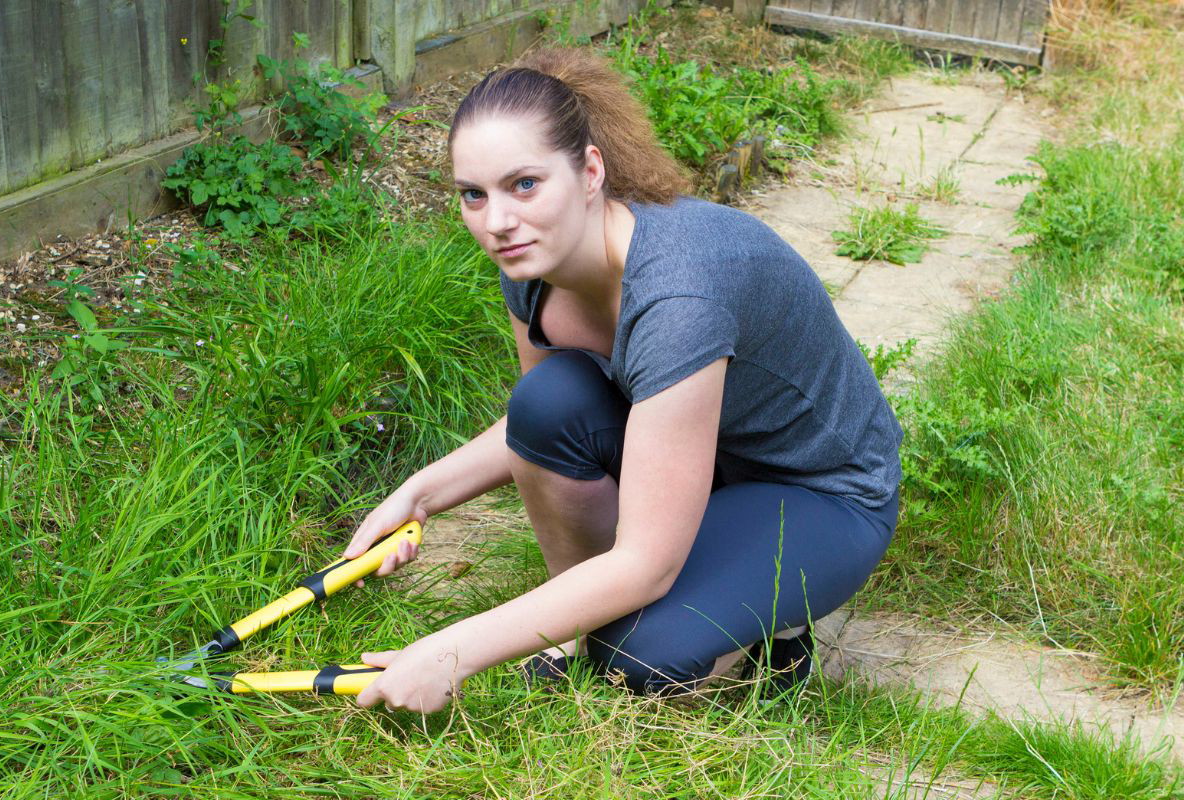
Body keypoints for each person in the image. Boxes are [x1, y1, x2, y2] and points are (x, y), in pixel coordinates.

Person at [342, 47, 903, 714]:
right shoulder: (533, 263)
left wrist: (453, 650)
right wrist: (422, 492)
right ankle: (577, 628)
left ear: (589, 170)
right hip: (690, 456)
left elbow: (646, 562)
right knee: (548, 400)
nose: (496, 221)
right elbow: (537, 427)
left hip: (819, 490)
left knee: (641, 655)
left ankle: (771, 634)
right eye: (474, 194)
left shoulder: (679, 296)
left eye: (524, 184)